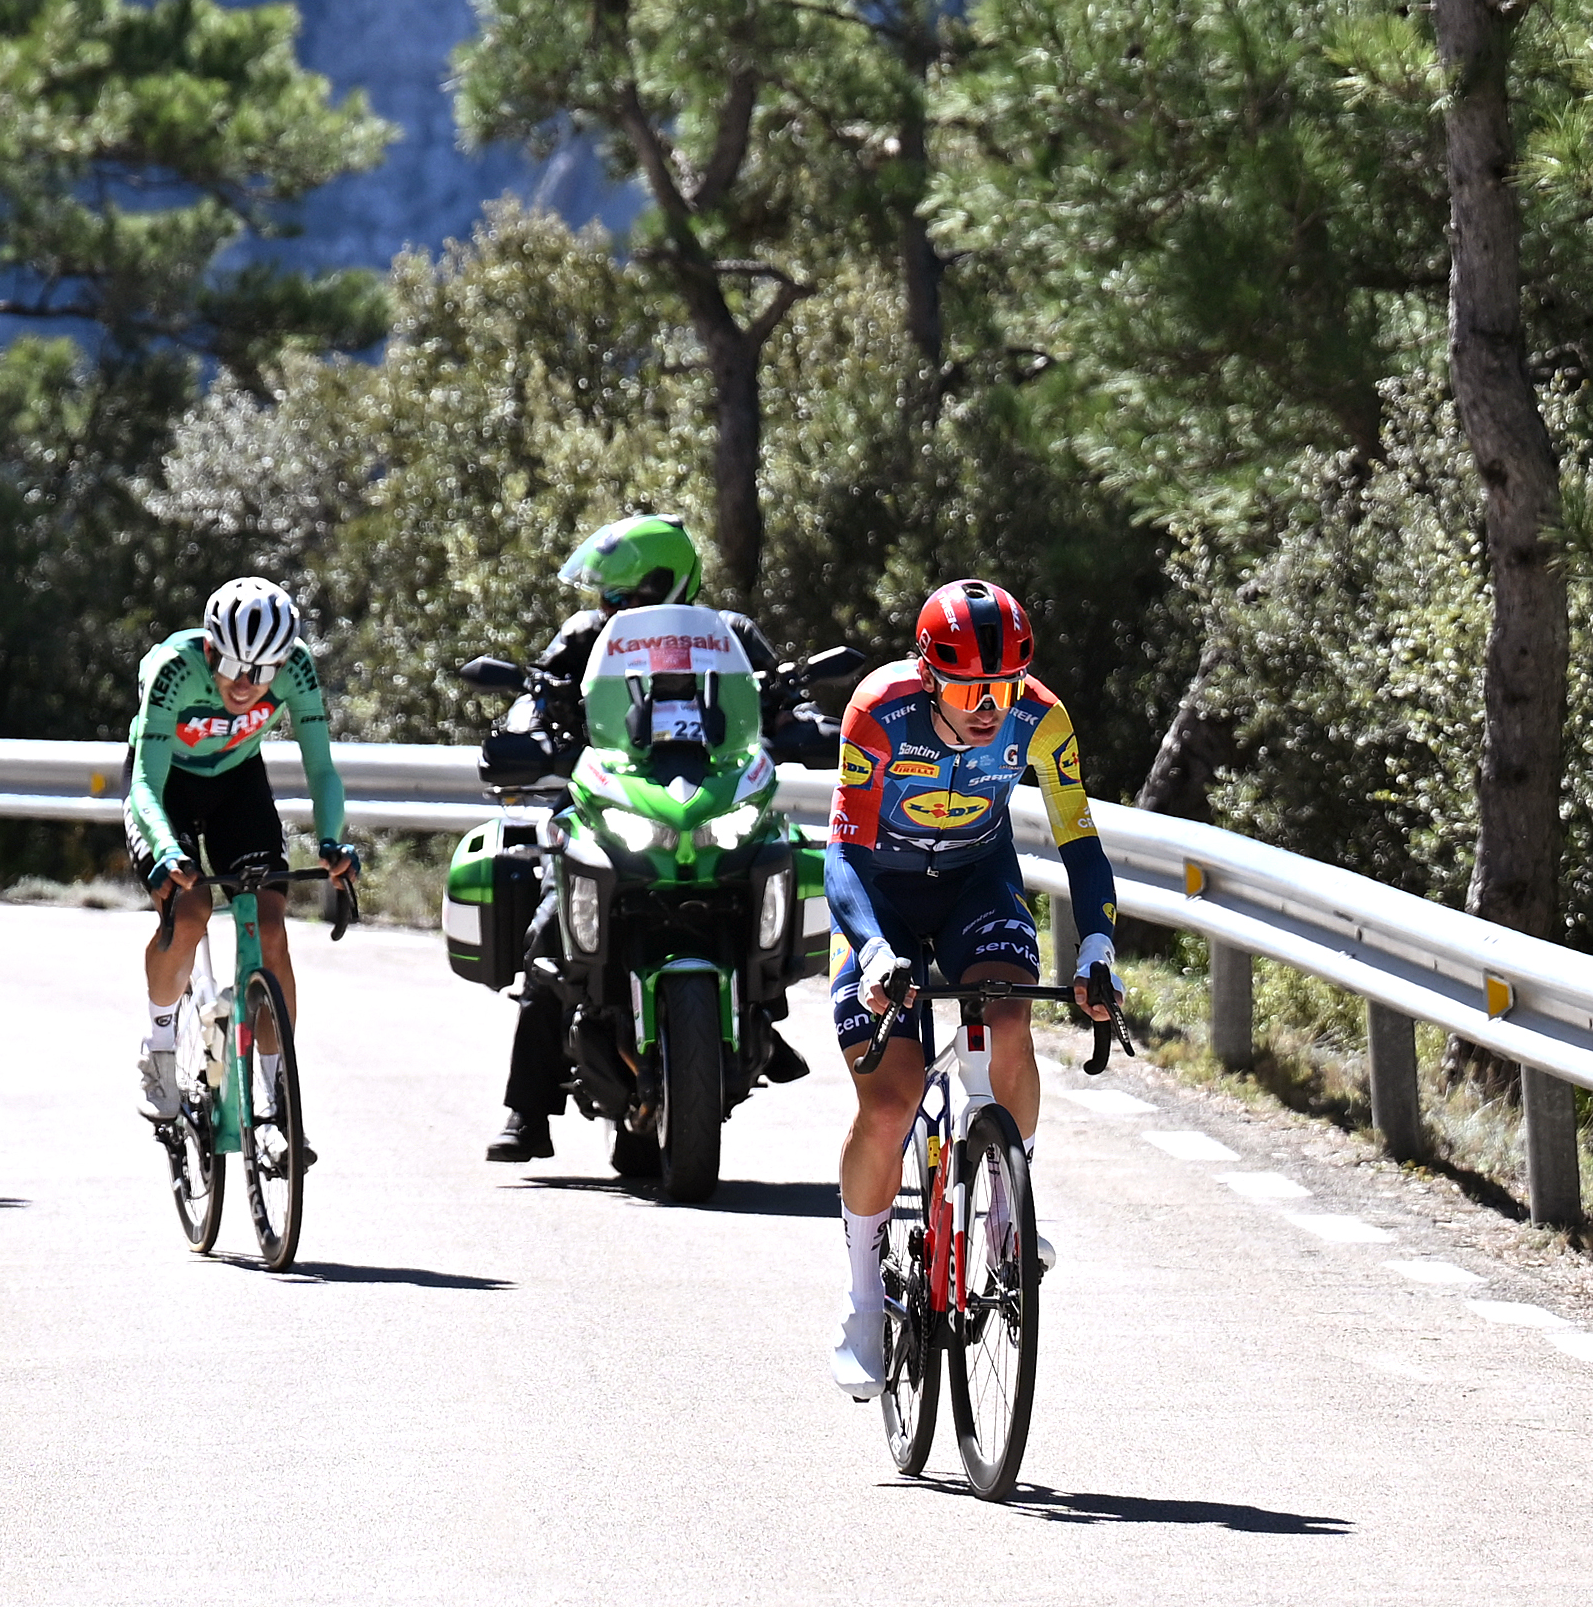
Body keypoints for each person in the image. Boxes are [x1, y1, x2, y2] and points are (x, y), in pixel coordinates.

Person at [821, 577, 1120, 1398]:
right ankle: (859, 1298)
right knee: (889, 1101)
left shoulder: (1041, 716)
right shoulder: (876, 711)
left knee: (1008, 1015)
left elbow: (1079, 837)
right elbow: (841, 850)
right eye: (968, 688)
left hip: (975, 883)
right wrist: (874, 948)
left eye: (1004, 684)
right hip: (881, 895)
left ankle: (1003, 1212)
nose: (990, 705)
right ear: (927, 676)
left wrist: (1096, 939)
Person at [466, 511, 830, 1158]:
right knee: (549, 927)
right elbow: (534, 698)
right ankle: (527, 1107)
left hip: (712, 800)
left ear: (664, 582)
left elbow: (777, 700)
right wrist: (525, 727)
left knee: (771, 864)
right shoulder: (582, 636)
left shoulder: (730, 635)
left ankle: (761, 1014)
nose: (606, 607)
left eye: (620, 595)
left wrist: (803, 718)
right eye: (604, 595)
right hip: (611, 801)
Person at [123, 574, 358, 1121]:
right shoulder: (173, 668)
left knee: (271, 926)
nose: (247, 684)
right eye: (232, 667)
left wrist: (332, 841)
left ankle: (277, 1098)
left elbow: (321, 767)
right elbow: (144, 786)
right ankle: (158, 1048)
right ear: (210, 648)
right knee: (192, 909)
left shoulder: (297, 666)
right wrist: (165, 847)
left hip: (236, 780)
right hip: (166, 788)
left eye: (263, 672)